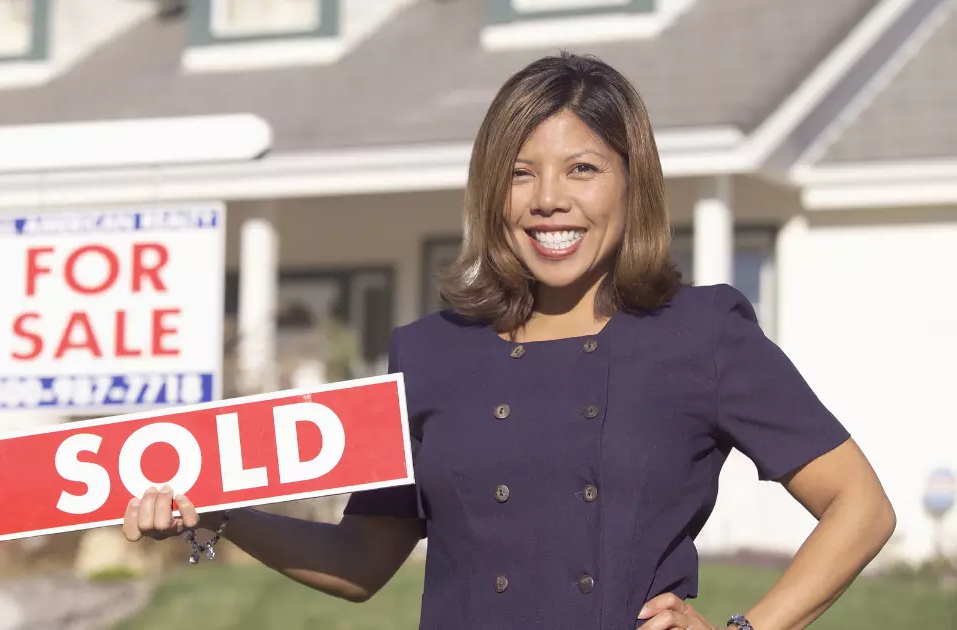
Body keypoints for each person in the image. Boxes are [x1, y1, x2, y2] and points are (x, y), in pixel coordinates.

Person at [121, 52, 896, 630]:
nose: (549, 201)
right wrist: (214, 515)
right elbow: (362, 562)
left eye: (583, 169)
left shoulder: (701, 333)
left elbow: (859, 506)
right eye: (521, 174)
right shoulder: (429, 354)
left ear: (633, 184)